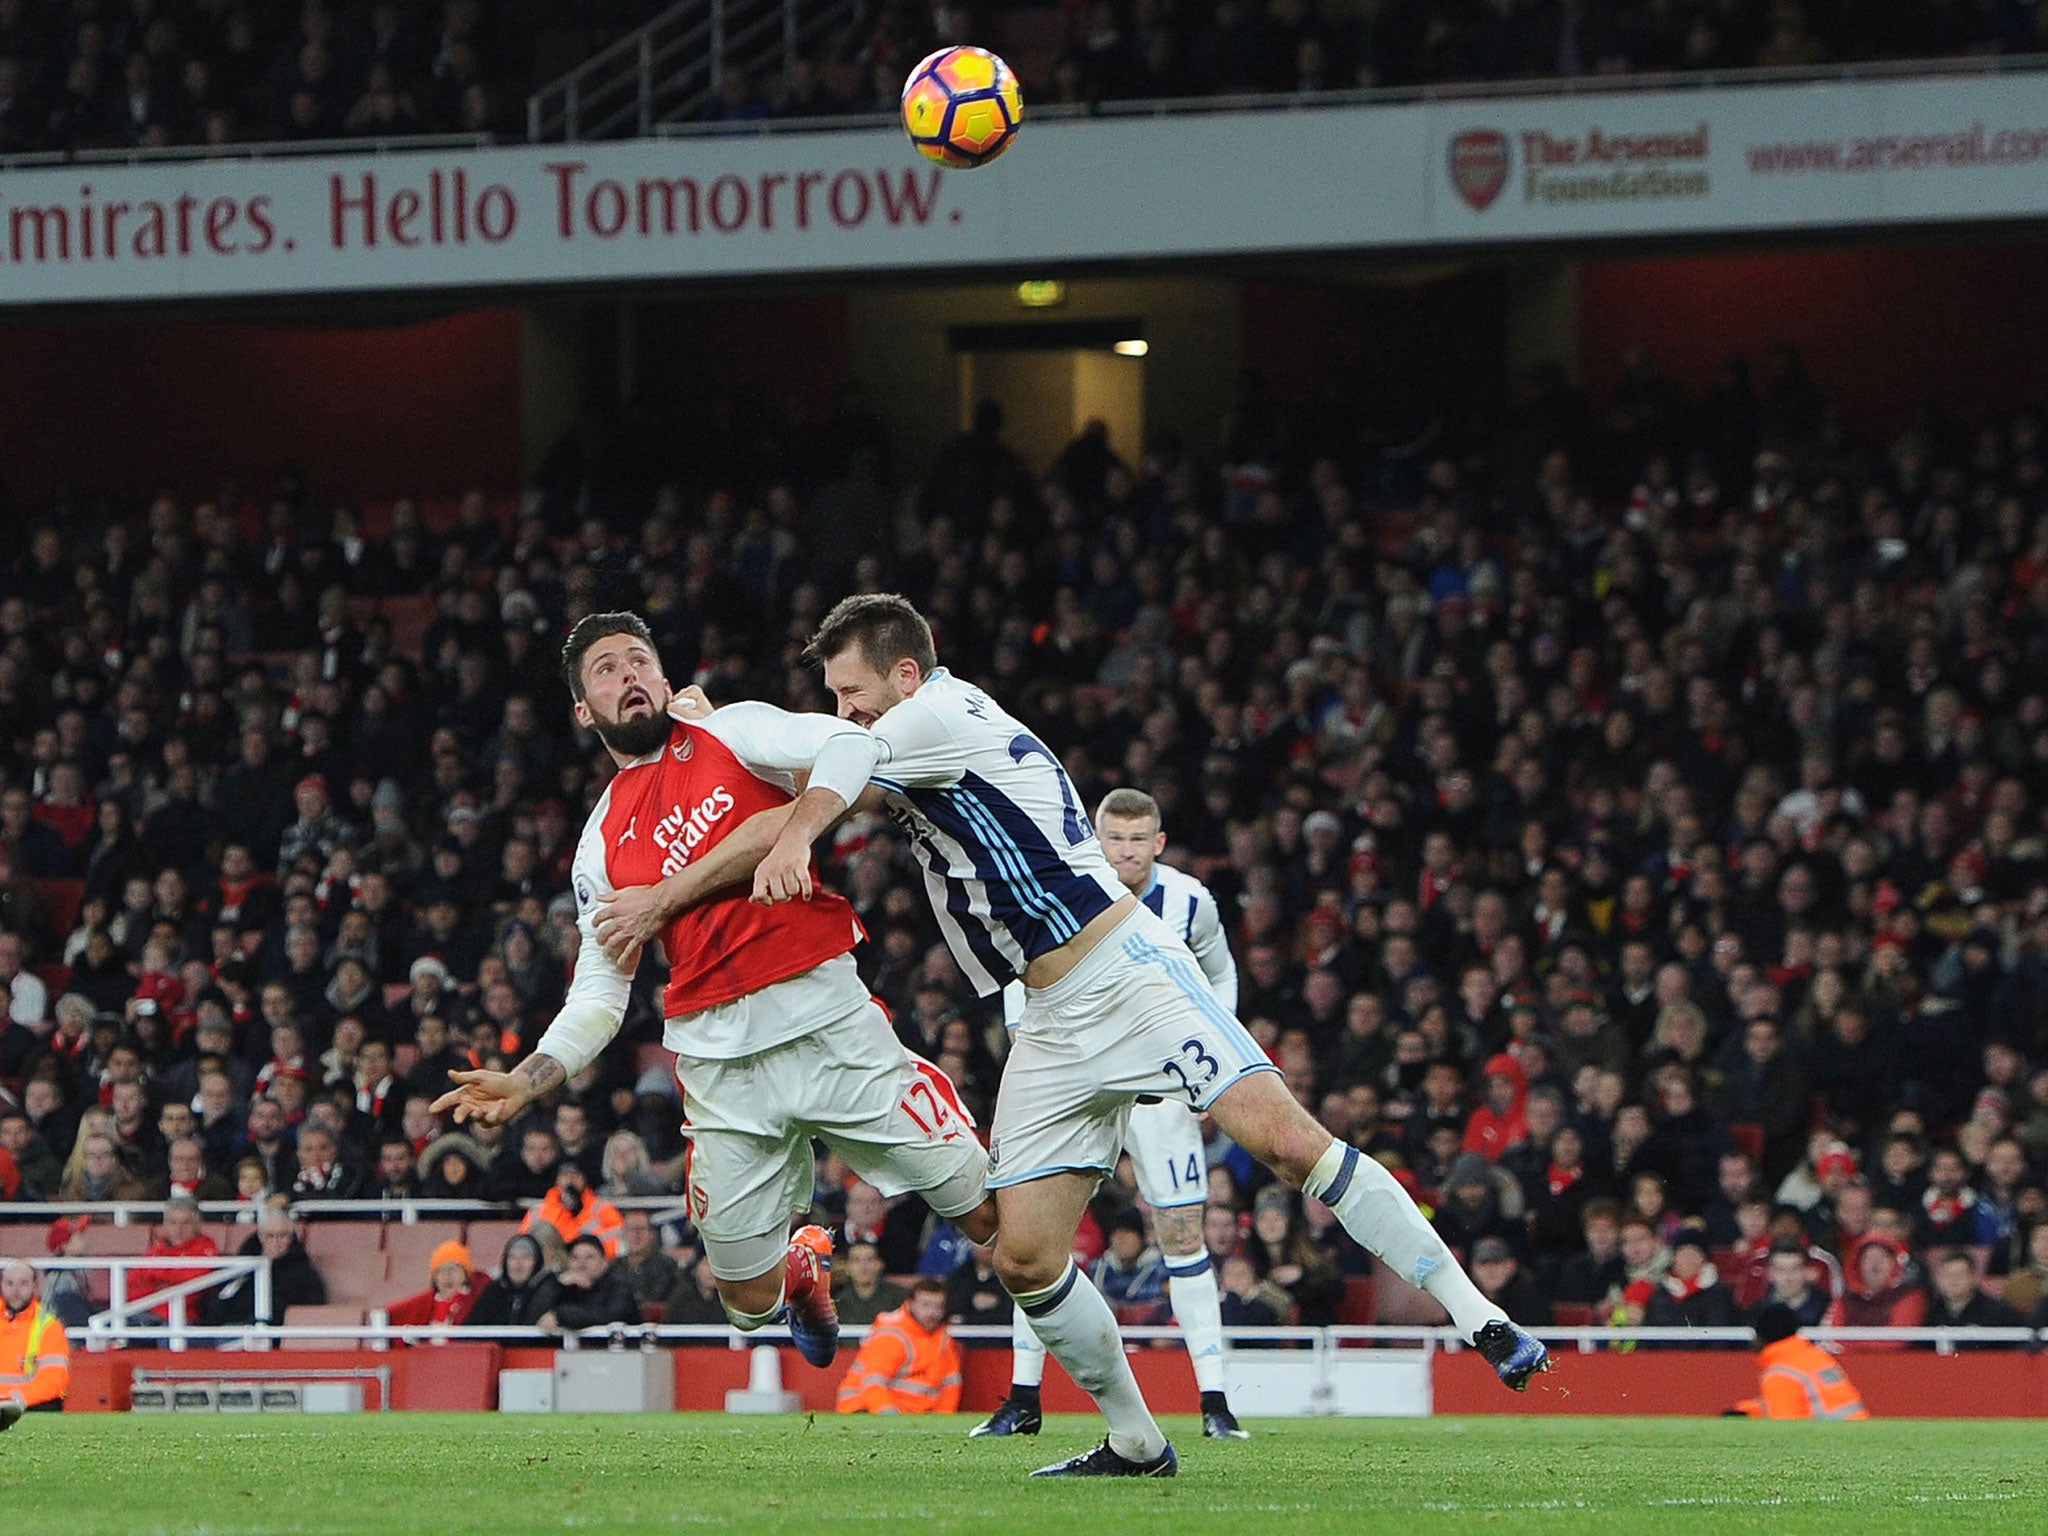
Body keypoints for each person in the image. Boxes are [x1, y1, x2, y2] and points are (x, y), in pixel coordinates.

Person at [665, 593, 1547, 1476]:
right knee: (1023, 1254)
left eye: (855, 690)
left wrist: (798, 831)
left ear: (906, 673)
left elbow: (836, 748)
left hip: (1128, 972)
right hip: (1050, 1019)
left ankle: (1482, 1317)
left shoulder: (938, 712)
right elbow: (804, 732)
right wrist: (716, 731)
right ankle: (1136, 1439)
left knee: (1289, 1146)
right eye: (838, 694)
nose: (847, 709)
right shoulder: (904, 726)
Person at [433, 612, 995, 1372]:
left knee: (987, 1213)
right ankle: (803, 1271)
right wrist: (534, 1075)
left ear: (665, 681)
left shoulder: (735, 732)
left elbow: (848, 744)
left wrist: (781, 837)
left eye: (640, 660)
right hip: (718, 1063)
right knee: (747, 1300)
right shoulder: (599, 843)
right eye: (606, 669)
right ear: (582, 710)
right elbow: (602, 990)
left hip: (824, 1018)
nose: (628, 675)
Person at [978, 786, 1251, 1442]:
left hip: (1158, 1092)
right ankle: (1023, 1398)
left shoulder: (1191, 900)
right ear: (1097, 841)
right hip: (1081, 1087)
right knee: (1035, 1238)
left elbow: (1223, 974)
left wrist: (1207, 1056)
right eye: (1115, 839)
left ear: (1158, 843)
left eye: (1138, 840)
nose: (1126, 851)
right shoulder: (1060, 888)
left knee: (1183, 1237)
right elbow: (1023, 977)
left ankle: (1214, 1403)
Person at [835, 1278, 963, 1415]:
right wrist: (890, 1415)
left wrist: (942, 1419)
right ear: (910, 1304)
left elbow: (951, 1385)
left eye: (938, 1306)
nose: (932, 1312)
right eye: (926, 1305)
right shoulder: (892, 1334)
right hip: (861, 1408)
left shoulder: (942, 1338)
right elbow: (873, 1382)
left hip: (911, 1414)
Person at [1727, 1304, 1869, 1419]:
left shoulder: (1780, 1374)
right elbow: (1810, 1402)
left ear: (1763, 1336)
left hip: (1833, 1443)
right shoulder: (1817, 1356)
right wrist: (1747, 1411)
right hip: (1856, 1431)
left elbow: (1786, 1428)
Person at [208, 1206, 328, 1327]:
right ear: (260, 1237)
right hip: (226, 1327)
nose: (276, 1241)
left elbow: (311, 1308)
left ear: (291, 1238)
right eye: (269, 1236)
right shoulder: (242, 1267)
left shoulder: (303, 1273)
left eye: (282, 1235)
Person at [0, 1259, 69, 1428]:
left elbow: (53, 1381)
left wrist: (16, 1399)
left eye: (23, 1283)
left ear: (35, 1286)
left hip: (32, 1407)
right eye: (10, 1283)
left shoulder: (49, 1326)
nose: (16, 1290)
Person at [520, 1161, 624, 1259]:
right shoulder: (538, 1211)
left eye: (575, 1175)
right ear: (557, 1181)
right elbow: (524, 1244)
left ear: (584, 1179)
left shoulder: (602, 1209)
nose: (570, 1179)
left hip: (591, 1268)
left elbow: (618, 1241)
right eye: (565, 1175)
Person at [540, 1234, 640, 1334]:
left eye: (589, 1257)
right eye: (575, 1258)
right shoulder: (566, 1285)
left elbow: (608, 1318)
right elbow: (536, 1314)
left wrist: (561, 1315)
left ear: (604, 1262)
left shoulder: (619, 1286)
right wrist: (558, 1285)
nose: (581, 1263)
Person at [468, 1233, 563, 1332]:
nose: (518, 1263)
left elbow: (575, 1312)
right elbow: (471, 1327)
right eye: (512, 1257)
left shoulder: (551, 1289)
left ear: (537, 1262)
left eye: (526, 1257)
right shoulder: (494, 1290)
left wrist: (558, 1315)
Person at [385, 1240, 488, 1330]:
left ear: (466, 1274)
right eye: (441, 1270)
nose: (447, 1275)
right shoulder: (425, 1304)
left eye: (454, 1269)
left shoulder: (479, 1300)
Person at [834, 1240, 907, 1327]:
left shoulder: (899, 1297)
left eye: (870, 1259)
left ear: (880, 1264)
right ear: (847, 1267)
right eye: (856, 1260)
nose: (864, 1266)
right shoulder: (839, 1301)